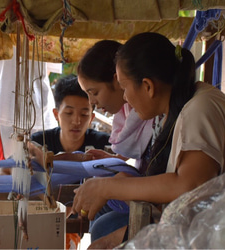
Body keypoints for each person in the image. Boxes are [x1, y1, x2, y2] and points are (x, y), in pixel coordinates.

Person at [72, 32, 225, 249]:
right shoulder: (174, 114)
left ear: (148, 86)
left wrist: (106, 188)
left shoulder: (200, 107)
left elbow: (189, 187)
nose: (125, 97)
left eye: (124, 88)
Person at [77, 40, 156, 242]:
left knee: (102, 228)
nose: (92, 103)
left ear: (118, 81)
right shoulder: (136, 113)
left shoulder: (154, 114)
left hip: (158, 204)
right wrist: (116, 159)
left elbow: (181, 185)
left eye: (93, 93)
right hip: (150, 194)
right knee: (100, 209)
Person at [30, 74, 110, 250]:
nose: (76, 121)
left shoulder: (103, 146)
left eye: (84, 114)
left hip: (83, 221)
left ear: (92, 118)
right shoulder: (38, 142)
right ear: (56, 114)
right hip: (43, 218)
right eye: (68, 113)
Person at [0, 31, 58, 162]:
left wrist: (7, 84)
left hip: (6, 105)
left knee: (6, 170)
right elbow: (47, 70)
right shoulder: (51, 24)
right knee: (41, 170)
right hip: (39, 107)